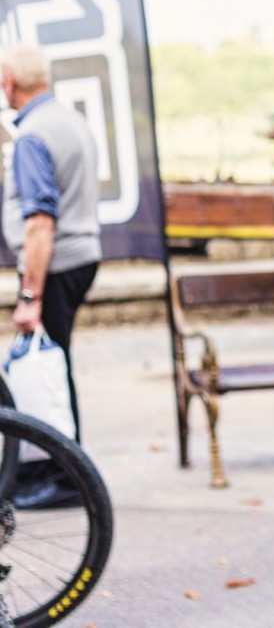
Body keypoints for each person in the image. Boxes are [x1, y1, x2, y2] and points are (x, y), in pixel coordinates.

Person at [1, 43, 101, 509]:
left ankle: (66, 476)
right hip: (80, 257)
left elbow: (40, 221)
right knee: (53, 363)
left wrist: (29, 295)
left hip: (55, 264)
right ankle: (55, 468)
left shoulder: (32, 134)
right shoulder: (69, 120)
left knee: (49, 367)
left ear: (9, 82)